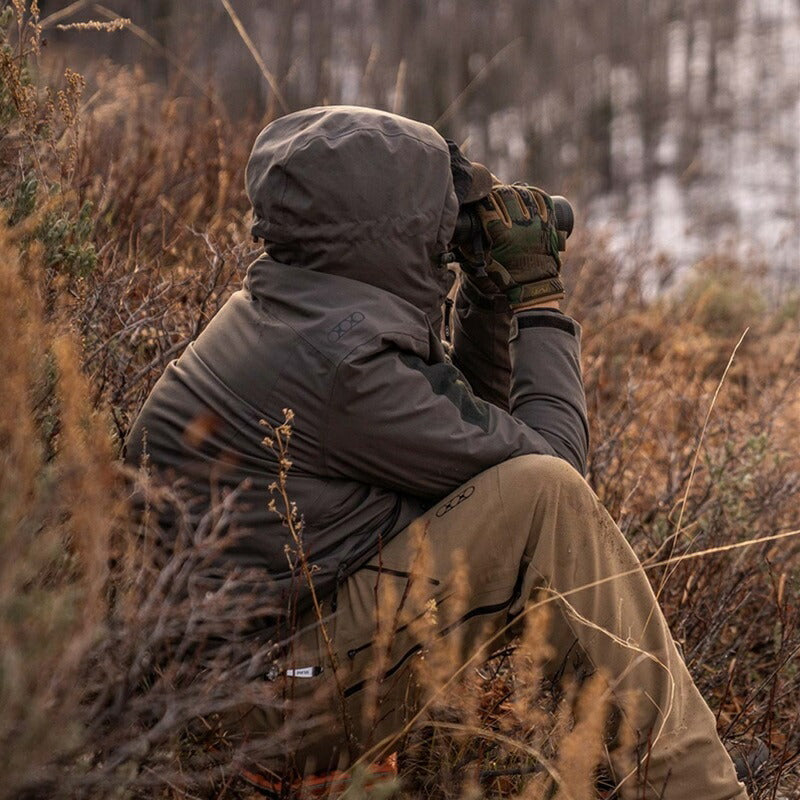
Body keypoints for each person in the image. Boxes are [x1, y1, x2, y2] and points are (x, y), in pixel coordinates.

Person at [125, 106, 749, 799]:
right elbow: (552, 473)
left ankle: (646, 762)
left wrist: (488, 295)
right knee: (549, 499)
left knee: (535, 502)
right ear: (387, 233)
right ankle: (700, 790)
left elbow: (476, 453)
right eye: (437, 216)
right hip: (261, 710)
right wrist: (539, 300)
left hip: (237, 684)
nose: (446, 233)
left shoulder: (301, 314)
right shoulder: (346, 367)